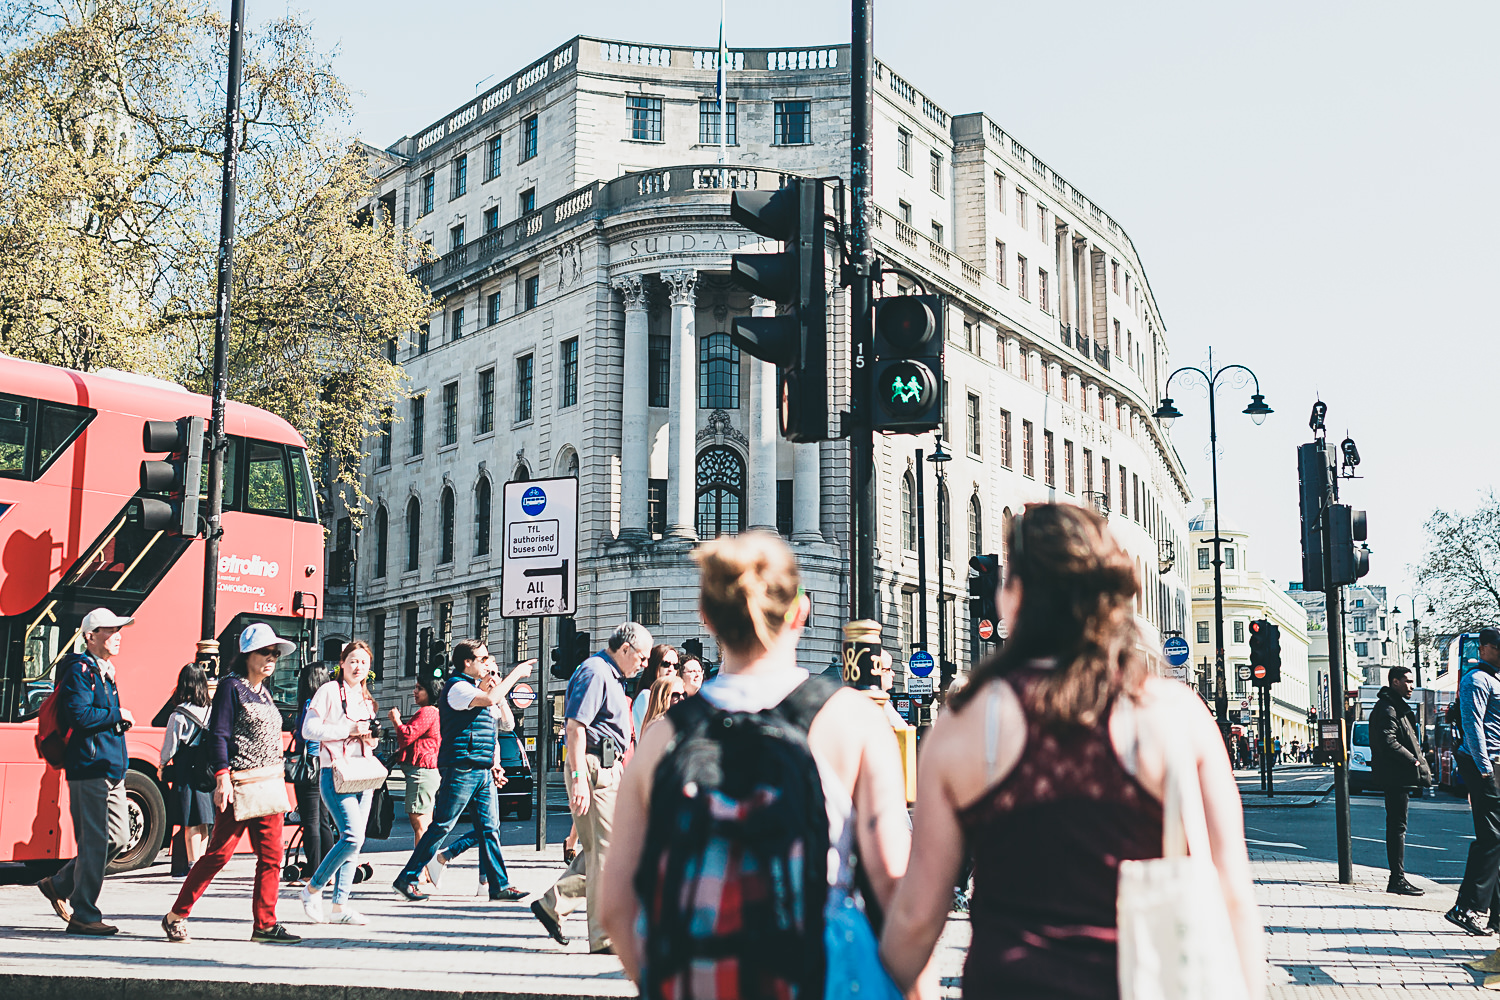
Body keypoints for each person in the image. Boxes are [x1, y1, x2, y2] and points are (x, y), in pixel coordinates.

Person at [878, 503, 1263, 1000]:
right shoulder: (1174, 714)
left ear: (1013, 595)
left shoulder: (967, 722)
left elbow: (916, 917)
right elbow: (1232, 893)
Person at [598, 533, 914, 998]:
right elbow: (893, 884)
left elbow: (615, 906)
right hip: (814, 974)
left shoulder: (663, 735)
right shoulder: (852, 719)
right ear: (801, 611)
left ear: (705, 617)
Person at [162, 624, 301, 943]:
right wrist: (222, 777)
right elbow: (220, 734)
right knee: (219, 854)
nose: (272, 659)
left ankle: (265, 924)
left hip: (268, 784)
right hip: (240, 783)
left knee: (272, 857)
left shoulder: (264, 692)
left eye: (275, 654)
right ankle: (176, 914)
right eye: (266, 652)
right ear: (248, 655)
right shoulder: (231, 687)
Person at [531, 621, 651, 952]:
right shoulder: (596, 672)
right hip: (593, 766)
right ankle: (602, 937)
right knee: (606, 854)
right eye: (642, 658)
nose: (644, 665)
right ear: (625, 649)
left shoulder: (610, 675)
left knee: (603, 848)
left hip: (606, 767)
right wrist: (580, 778)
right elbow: (575, 727)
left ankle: (552, 903)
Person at [392, 642, 533, 902]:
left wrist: (496, 687)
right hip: (461, 767)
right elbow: (489, 700)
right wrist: (515, 675)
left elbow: (503, 723)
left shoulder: (476, 690)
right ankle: (407, 877)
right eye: (483, 658)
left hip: (481, 768)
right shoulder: (457, 688)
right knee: (442, 825)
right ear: (467, 662)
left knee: (490, 828)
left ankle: (498, 885)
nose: (487, 663)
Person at [36, 608, 136, 935]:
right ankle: (85, 914)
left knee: (120, 838)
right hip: (89, 766)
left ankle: (61, 883)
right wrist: (116, 715)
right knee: (94, 842)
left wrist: (114, 719)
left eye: (119, 629)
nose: (118, 635)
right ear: (91, 636)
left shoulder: (106, 670)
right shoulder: (80, 671)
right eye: (111, 630)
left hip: (110, 767)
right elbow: (80, 716)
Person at [299, 641, 381, 925]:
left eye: (363, 662)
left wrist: (370, 737)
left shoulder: (367, 699)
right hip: (335, 773)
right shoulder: (329, 691)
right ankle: (312, 889)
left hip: (363, 776)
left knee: (355, 845)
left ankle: (340, 907)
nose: (358, 666)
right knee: (352, 836)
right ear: (342, 664)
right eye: (353, 661)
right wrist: (348, 729)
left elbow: (370, 741)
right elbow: (309, 729)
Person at [1446, 627, 1500, 936]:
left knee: (1495, 840)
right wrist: (1484, 771)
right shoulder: (1476, 680)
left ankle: (1493, 916)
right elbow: (1473, 727)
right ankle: (1467, 908)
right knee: (1491, 839)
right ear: (1487, 648)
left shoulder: (1493, 680)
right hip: (1486, 767)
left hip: (1493, 767)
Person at [1370, 664, 1431, 896]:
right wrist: (1413, 761)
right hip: (1395, 775)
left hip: (1397, 775)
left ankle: (1398, 878)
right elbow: (1389, 741)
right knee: (1397, 827)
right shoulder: (1388, 708)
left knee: (1398, 826)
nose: (1411, 686)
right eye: (1407, 681)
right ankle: (1397, 879)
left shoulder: (1394, 706)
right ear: (1394, 681)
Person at [160, 663, 215, 875]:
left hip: (186, 770)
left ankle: (193, 866)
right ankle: (202, 865)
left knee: (191, 821)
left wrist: (162, 765)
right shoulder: (212, 710)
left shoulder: (179, 714)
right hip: (206, 771)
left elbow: (170, 747)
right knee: (205, 822)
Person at [292, 663, 337, 882]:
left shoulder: (311, 704)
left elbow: (305, 736)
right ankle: (327, 869)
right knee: (323, 820)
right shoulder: (331, 703)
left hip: (310, 765)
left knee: (310, 821)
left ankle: (314, 869)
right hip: (326, 764)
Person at [390, 677, 442, 845]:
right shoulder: (435, 712)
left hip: (421, 771)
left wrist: (396, 720)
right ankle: (427, 867)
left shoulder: (428, 711)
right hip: (426, 771)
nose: (415, 691)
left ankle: (422, 867)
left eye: (420, 688)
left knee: (420, 823)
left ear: (431, 692)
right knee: (424, 822)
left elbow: (407, 735)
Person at [631, 643, 679, 735]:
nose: (671, 669)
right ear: (654, 665)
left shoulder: (674, 696)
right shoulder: (646, 695)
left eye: (676, 665)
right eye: (666, 664)